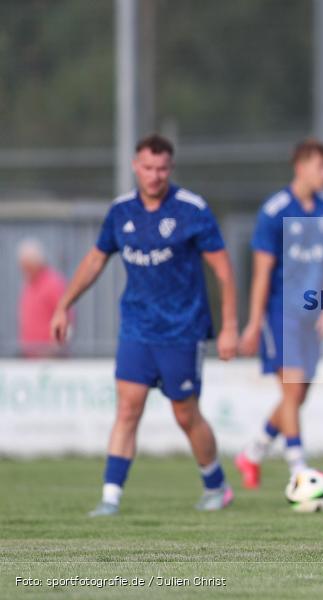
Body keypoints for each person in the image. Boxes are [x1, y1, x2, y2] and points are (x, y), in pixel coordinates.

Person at [50, 134, 239, 517]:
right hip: (137, 327)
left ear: (171, 169)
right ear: (135, 166)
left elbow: (222, 269)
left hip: (181, 330)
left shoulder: (191, 209)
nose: (155, 176)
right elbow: (94, 262)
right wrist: (63, 305)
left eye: (162, 168)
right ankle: (110, 497)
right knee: (127, 410)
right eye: (148, 168)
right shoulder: (121, 212)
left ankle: (216, 485)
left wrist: (230, 326)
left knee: (185, 414)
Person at [235, 138, 323, 491]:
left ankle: (252, 451)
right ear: (301, 167)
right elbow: (261, 271)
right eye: (321, 166)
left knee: (298, 395)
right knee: (292, 390)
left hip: (312, 314)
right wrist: (253, 323)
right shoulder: (275, 210)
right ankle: (298, 469)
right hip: (282, 312)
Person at [17, 238, 68, 358]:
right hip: (30, 356)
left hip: (49, 355)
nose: (24, 271)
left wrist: (56, 347)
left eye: (27, 266)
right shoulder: (28, 285)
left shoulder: (53, 284)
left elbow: (66, 316)